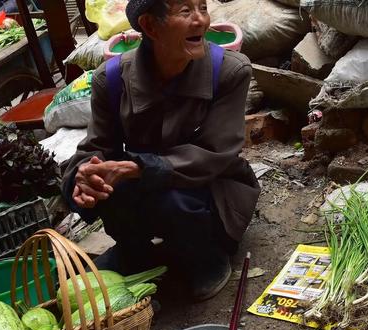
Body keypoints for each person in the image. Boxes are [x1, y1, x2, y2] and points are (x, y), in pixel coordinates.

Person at [61, 0, 260, 302]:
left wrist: (138, 168)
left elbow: (213, 154)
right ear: (150, 26)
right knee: (109, 184)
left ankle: (204, 257)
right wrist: (83, 178)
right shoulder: (111, 80)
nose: (200, 21)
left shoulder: (229, 71)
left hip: (208, 186)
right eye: (185, 11)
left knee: (173, 201)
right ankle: (134, 252)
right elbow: (97, 149)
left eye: (202, 8)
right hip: (147, 184)